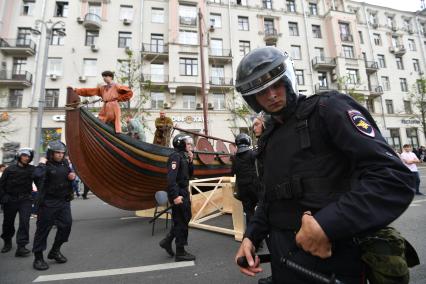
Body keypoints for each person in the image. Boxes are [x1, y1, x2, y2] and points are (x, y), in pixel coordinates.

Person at [233, 47, 415, 283]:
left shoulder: (328, 109)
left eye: (276, 85)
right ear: (252, 99)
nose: (271, 96)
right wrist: (251, 237)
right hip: (284, 262)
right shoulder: (268, 137)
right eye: (261, 92)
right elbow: (269, 196)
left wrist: (328, 224)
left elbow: (393, 177)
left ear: (288, 80)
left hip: (333, 263)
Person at [32, 141, 76, 270]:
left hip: (63, 201)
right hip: (48, 203)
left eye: (62, 153)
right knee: (43, 230)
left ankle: (55, 251)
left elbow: (68, 176)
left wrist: (71, 177)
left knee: (66, 225)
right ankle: (38, 258)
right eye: (57, 153)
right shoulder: (45, 165)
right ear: (51, 153)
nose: (60, 155)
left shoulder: (65, 164)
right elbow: (36, 176)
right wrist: (41, 163)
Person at [159, 134, 196, 262]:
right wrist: (175, 196)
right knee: (181, 222)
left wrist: (191, 161)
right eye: (188, 143)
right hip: (178, 193)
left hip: (183, 192)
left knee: (184, 219)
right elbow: (171, 179)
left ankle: (167, 241)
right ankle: (180, 252)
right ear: (181, 144)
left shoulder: (183, 156)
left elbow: (189, 175)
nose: (190, 146)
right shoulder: (175, 157)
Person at [0, 148, 35, 257]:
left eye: (28, 156)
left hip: (25, 200)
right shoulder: (9, 169)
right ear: (19, 156)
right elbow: (1, 185)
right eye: (24, 155)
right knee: (8, 223)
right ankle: (7, 241)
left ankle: (22, 246)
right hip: (11, 199)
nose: (26, 158)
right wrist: (4, 197)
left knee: (24, 222)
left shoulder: (32, 169)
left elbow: (43, 176)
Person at [232, 133, 259, 226]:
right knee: (260, 211)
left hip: (242, 189)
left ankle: (250, 235)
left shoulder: (234, 157)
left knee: (249, 212)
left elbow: (233, 171)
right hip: (254, 188)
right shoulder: (253, 153)